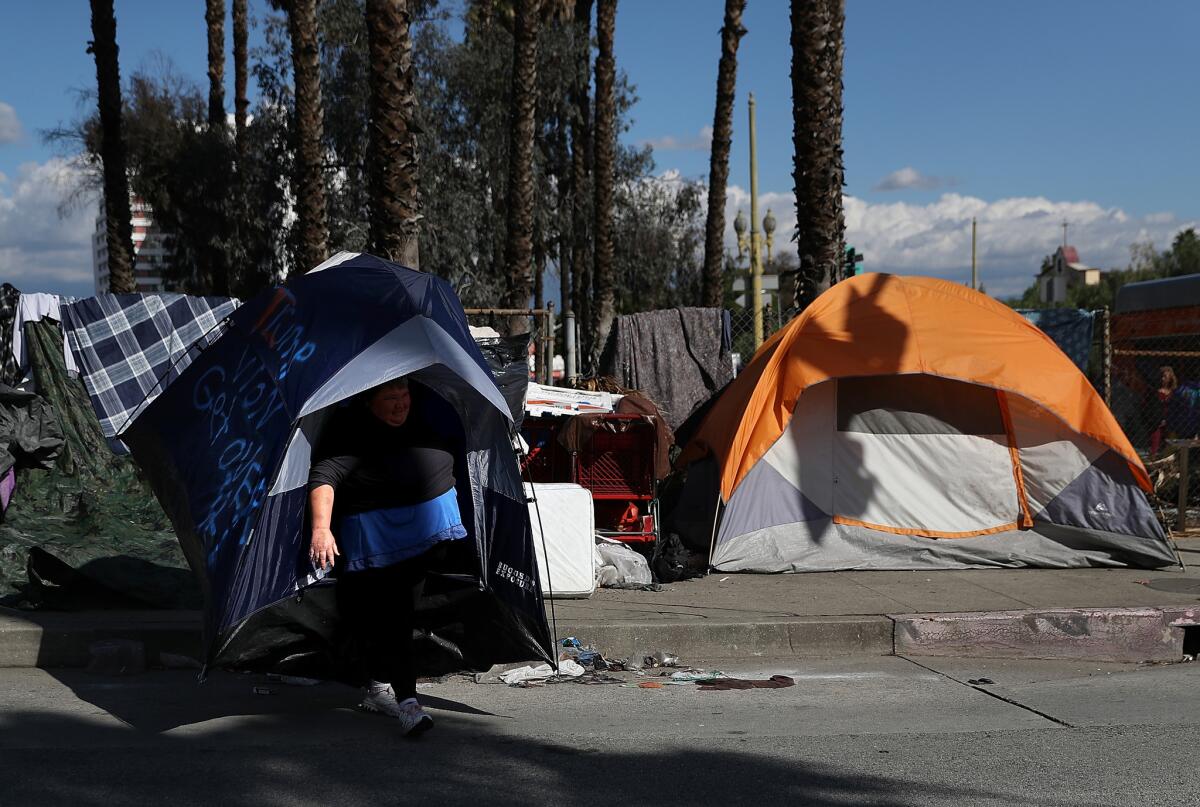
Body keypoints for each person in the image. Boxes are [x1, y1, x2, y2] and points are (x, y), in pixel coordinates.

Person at [307, 377, 467, 736]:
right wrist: (321, 529)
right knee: (396, 617)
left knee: (397, 614)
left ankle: (379, 685)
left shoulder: (427, 407)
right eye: (391, 397)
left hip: (428, 531)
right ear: (368, 401)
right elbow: (325, 478)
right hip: (381, 536)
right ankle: (408, 704)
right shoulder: (350, 429)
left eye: (405, 394)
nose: (401, 404)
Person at [1150, 365, 1179, 457]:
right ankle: (1154, 458)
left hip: (1171, 419)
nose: (1163, 379)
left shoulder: (1174, 392)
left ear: (1170, 378)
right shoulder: (1155, 391)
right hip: (1158, 420)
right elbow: (1152, 407)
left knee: (1170, 443)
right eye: (1161, 376)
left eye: (1165, 377)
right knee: (1155, 442)